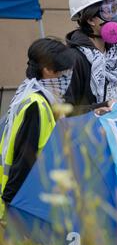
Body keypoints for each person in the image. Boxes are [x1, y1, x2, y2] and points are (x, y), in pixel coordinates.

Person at [0, 38, 75, 216]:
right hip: (22, 200)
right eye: (63, 70)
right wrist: (9, 204)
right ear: (47, 70)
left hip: (25, 195)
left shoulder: (31, 92)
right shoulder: (37, 105)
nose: (67, 75)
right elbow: (24, 157)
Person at [65, 0, 117, 116]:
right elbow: (64, 111)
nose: (115, 18)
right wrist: (104, 106)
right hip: (85, 135)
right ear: (90, 19)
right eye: (107, 11)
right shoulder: (73, 58)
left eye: (115, 9)